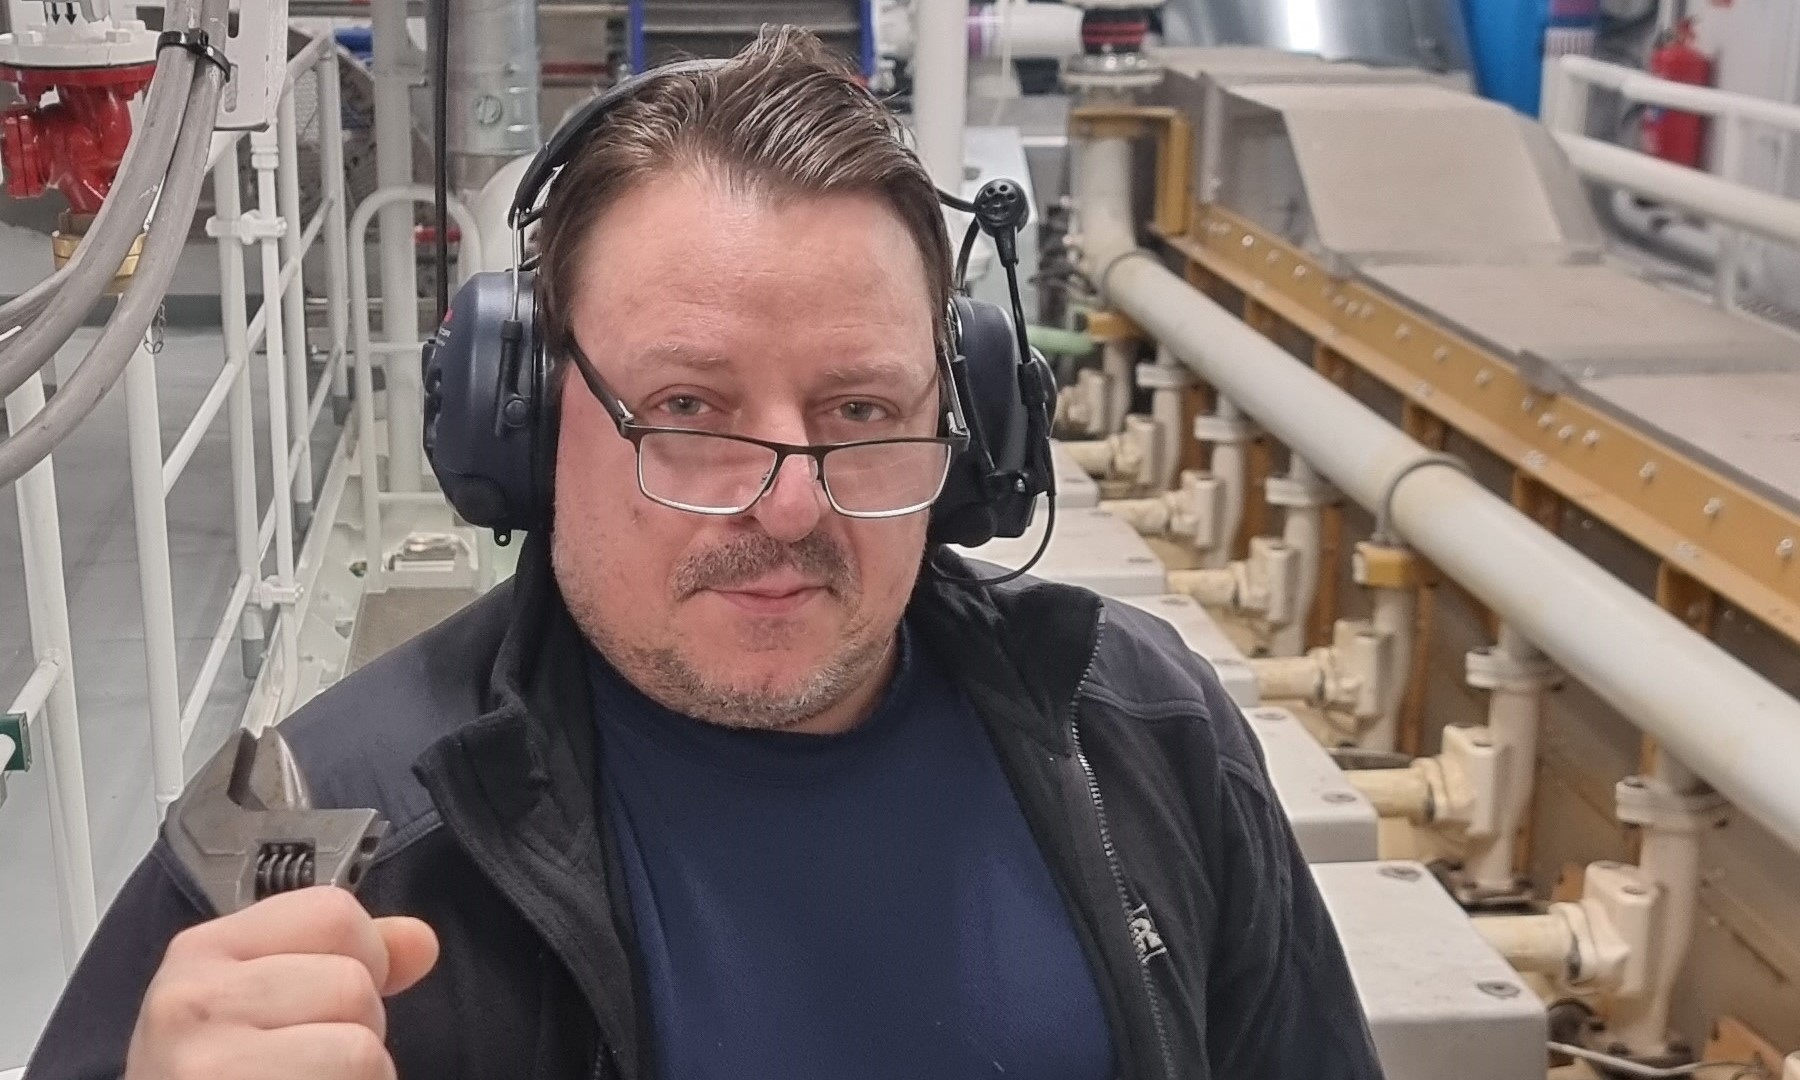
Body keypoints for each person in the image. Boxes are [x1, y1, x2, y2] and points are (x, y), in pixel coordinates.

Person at [25, 27, 1381, 1080]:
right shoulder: (308, 841)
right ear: (523, 420)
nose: (787, 508)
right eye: (686, 410)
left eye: (862, 413)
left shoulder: (1143, 729)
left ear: (968, 428)